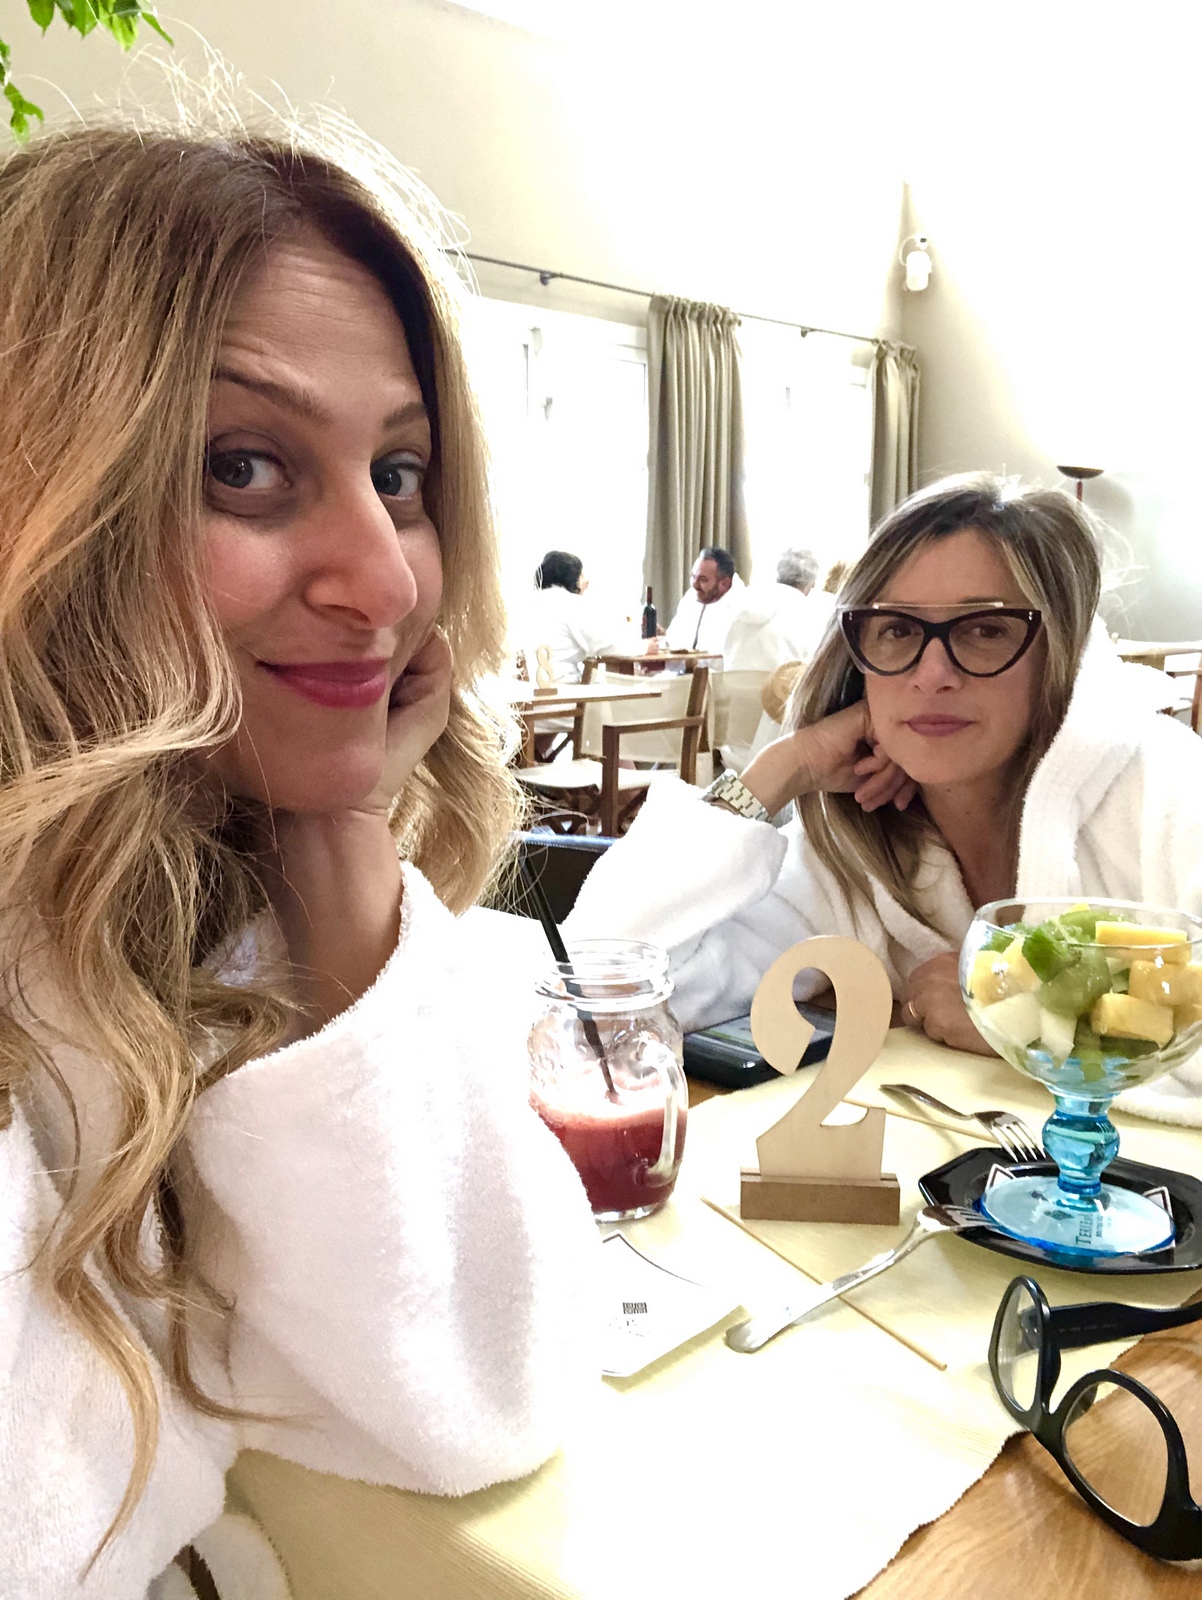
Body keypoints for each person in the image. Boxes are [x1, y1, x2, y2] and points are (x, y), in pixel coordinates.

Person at [0, 117, 598, 1599]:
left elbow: (473, 1401)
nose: (385, 578)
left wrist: (344, 868)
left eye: (399, 472)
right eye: (245, 465)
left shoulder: (214, 889)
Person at [566, 474, 1202, 1117]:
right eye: (896, 629)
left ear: (1062, 653)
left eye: (985, 629)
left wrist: (1020, 1024)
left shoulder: (1168, 796)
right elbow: (598, 997)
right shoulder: (855, 853)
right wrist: (782, 768)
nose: (933, 674)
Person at [523, 549, 617, 682]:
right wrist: (643, 646)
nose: (587, 581)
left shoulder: (530, 602)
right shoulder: (570, 604)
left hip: (529, 690)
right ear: (569, 577)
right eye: (581, 575)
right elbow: (607, 644)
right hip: (562, 689)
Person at [723, 546, 821, 672]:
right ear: (811, 583)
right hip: (781, 684)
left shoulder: (744, 598)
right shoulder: (806, 612)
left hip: (733, 683)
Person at [664, 546, 746, 653]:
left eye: (703, 580)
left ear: (725, 584)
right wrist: (663, 639)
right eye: (693, 577)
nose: (695, 585)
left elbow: (726, 658)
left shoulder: (742, 610)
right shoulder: (691, 597)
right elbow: (674, 642)